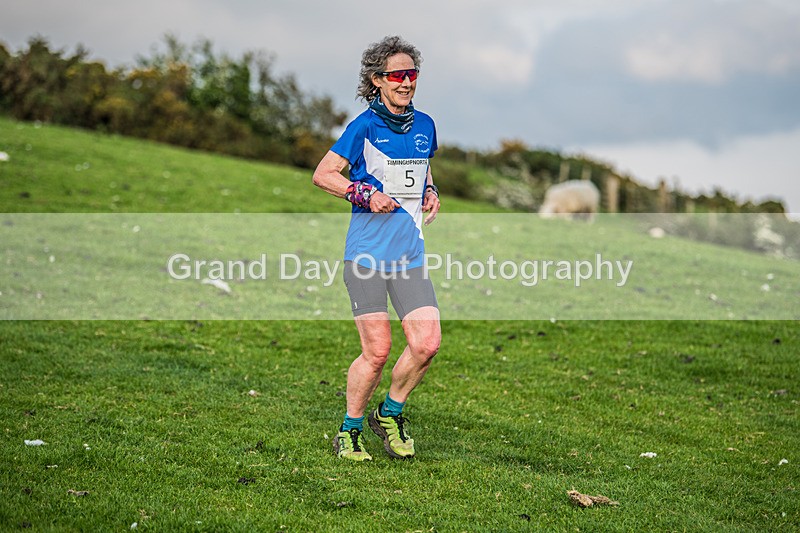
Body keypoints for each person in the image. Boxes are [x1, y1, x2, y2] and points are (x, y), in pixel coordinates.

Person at [312, 35, 441, 461]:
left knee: (426, 344)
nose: (406, 82)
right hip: (367, 255)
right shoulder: (363, 127)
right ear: (377, 80)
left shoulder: (425, 125)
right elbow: (324, 174)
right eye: (397, 75)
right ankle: (349, 430)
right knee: (378, 350)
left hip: (409, 255)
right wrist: (363, 194)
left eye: (411, 74)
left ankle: (389, 413)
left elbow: (421, 169)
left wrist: (430, 191)